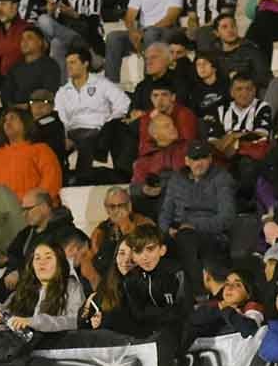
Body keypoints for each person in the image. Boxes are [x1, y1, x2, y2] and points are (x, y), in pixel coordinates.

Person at [121, 225, 192, 366]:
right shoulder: (131, 279)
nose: (145, 257)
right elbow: (137, 313)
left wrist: (157, 314)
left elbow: (183, 308)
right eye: (138, 252)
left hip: (178, 326)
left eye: (150, 250)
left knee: (168, 331)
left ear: (162, 250)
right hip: (148, 327)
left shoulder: (175, 272)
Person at [104, 0, 183, 84]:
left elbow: (171, 18)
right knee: (113, 37)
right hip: (143, 32)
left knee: (150, 34)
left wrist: (143, 32)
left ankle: (149, 84)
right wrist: (133, 32)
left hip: (166, 32)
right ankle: (111, 86)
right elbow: (129, 17)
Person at [158, 138, 236, 272]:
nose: (199, 163)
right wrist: (167, 229)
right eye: (195, 159)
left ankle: (196, 290)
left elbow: (227, 218)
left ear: (210, 159)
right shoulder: (176, 179)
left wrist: (193, 226)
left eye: (203, 158)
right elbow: (165, 212)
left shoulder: (221, 178)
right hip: (176, 232)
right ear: (187, 161)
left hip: (210, 234)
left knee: (187, 238)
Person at [56, 47, 131, 181]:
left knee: (88, 138)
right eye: (67, 63)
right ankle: (78, 177)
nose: (69, 67)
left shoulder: (101, 83)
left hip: (99, 129)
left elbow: (123, 102)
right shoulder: (62, 91)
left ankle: (81, 178)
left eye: (73, 62)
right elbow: (61, 117)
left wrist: (109, 122)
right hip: (73, 131)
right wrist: (65, 135)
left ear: (85, 64)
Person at [0, 240, 84, 336]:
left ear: (60, 262)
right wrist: (3, 321)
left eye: (48, 257)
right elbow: (9, 323)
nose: (42, 263)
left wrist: (34, 322)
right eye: (37, 258)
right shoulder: (23, 290)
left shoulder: (71, 287)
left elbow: (75, 321)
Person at [0, 108, 63, 202]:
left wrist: (32, 203)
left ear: (26, 123)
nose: (7, 122)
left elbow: (52, 182)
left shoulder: (41, 150)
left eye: (12, 118)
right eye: (5, 121)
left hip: (31, 209)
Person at [38, 0, 104, 77]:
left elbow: (94, 24)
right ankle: (64, 88)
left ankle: (91, 54)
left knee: (45, 22)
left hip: (87, 40)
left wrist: (74, 14)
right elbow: (56, 28)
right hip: (67, 44)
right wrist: (50, 12)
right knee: (55, 41)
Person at [5, 188, 78, 288]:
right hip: (23, 287)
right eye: (23, 210)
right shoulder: (26, 233)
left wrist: (20, 274)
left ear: (44, 207)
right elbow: (13, 254)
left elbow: (55, 265)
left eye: (29, 209)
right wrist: (13, 271)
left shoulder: (65, 232)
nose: (24, 214)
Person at [86, 186, 155, 288]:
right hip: (109, 281)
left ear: (129, 206)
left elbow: (148, 250)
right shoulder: (100, 232)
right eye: (112, 206)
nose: (117, 210)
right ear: (107, 209)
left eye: (121, 205)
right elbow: (94, 258)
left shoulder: (143, 222)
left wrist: (124, 225)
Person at [83, 238, 140, 333]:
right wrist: (89, 315)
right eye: (122, 253)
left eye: (133, 254)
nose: (126, 260)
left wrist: (104, 321)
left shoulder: (146, 284)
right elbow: (85, 321)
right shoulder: (107, 284)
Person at [190, 265, 266, 338]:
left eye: (237, 285)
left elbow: (249, 330)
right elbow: (193, 322)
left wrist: (227, 310)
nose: (229, 287)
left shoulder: (252, 307)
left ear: (249, 293)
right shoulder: (213, 306)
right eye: (227, 284)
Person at [1, 26, 62, 109]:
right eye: (22, 39)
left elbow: (49, 94)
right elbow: (5, 94)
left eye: (29, 38)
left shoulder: (50, 66)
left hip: (38, 112)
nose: (24, 42)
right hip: (14, 111)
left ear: (40, 42)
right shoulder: (15, 68)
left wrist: (28, 106)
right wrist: (13, 106)